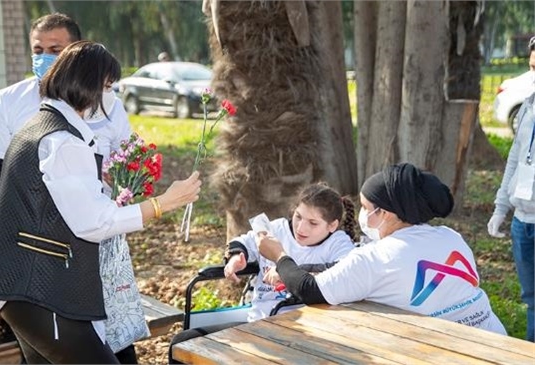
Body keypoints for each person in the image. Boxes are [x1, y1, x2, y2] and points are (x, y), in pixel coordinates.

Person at [0, 41, 201, 364]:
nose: (111, 95)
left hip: (22, 289)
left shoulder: (39, 125)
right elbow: (96, 223)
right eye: (108, 86)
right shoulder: (62, 141)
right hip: (41, 290)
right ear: (88, 86)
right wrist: (164, 203)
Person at [258, 163, 507, 336]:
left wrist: (279, 255)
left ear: (384, 213)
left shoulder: (377, 258)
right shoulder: (451, 237)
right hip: (495, 340)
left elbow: (309, 289)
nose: (362, 215)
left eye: (366, 207)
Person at [168, 182, 357, 364]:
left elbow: (342, 271)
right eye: (298, 216)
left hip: (301, 332)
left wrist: (287, 269)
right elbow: (243, 241)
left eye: (313, 223)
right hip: (257, 322)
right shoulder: (276, 229)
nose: (301, 228)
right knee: (184, 341)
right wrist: (236, 257)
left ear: (332, 226)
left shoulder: (338, 243)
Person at [0, 12, 131, 207]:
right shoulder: (7, 101)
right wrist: (20, 214)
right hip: (30, 228)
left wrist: (121, 188)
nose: (45, 58)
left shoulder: (109, 105)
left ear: (77, 51)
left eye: (55, 50)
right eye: (38, 51)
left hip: (99, 223)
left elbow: (128, 164)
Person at [487, 35, 535, 342]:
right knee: (531, 298)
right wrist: (501, 207)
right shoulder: (529, 106)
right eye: (533, 66)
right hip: (522, 222)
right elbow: (516, 158)